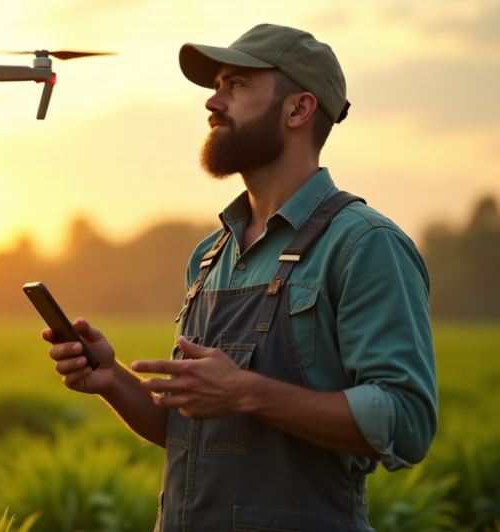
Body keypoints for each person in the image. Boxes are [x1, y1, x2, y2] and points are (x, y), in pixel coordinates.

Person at [42, 24, 438, 531]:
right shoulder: (210, 255)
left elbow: (407, 422)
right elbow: (196, 431)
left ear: (298, 110)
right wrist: (113, 379)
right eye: (216, 86)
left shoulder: (364, 244)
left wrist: (247, 391)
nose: (213, 102)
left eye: (237, 85)